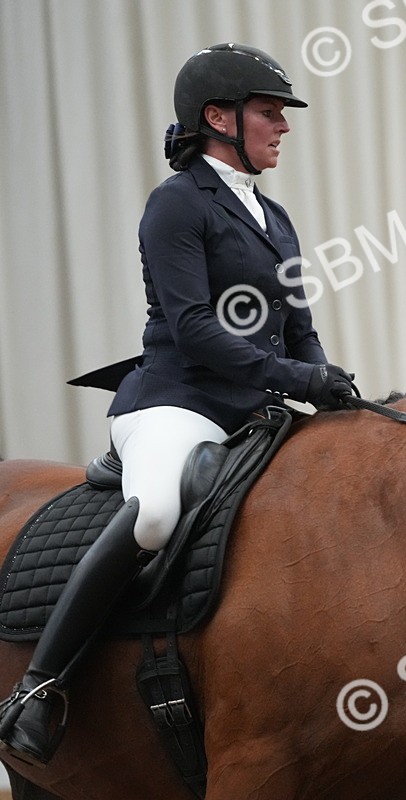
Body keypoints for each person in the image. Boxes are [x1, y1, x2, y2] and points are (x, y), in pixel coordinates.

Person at [0, 43, 355, 766]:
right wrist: (297, 378)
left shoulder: (274, 216)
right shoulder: (175, 205)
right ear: (218, 118)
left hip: (257, 403)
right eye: (268, 112)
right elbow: (195, 330)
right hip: (177, 399)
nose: (282, 127)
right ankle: (39, 688)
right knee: (157, 512)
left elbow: (299, 326)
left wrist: (331, 389)